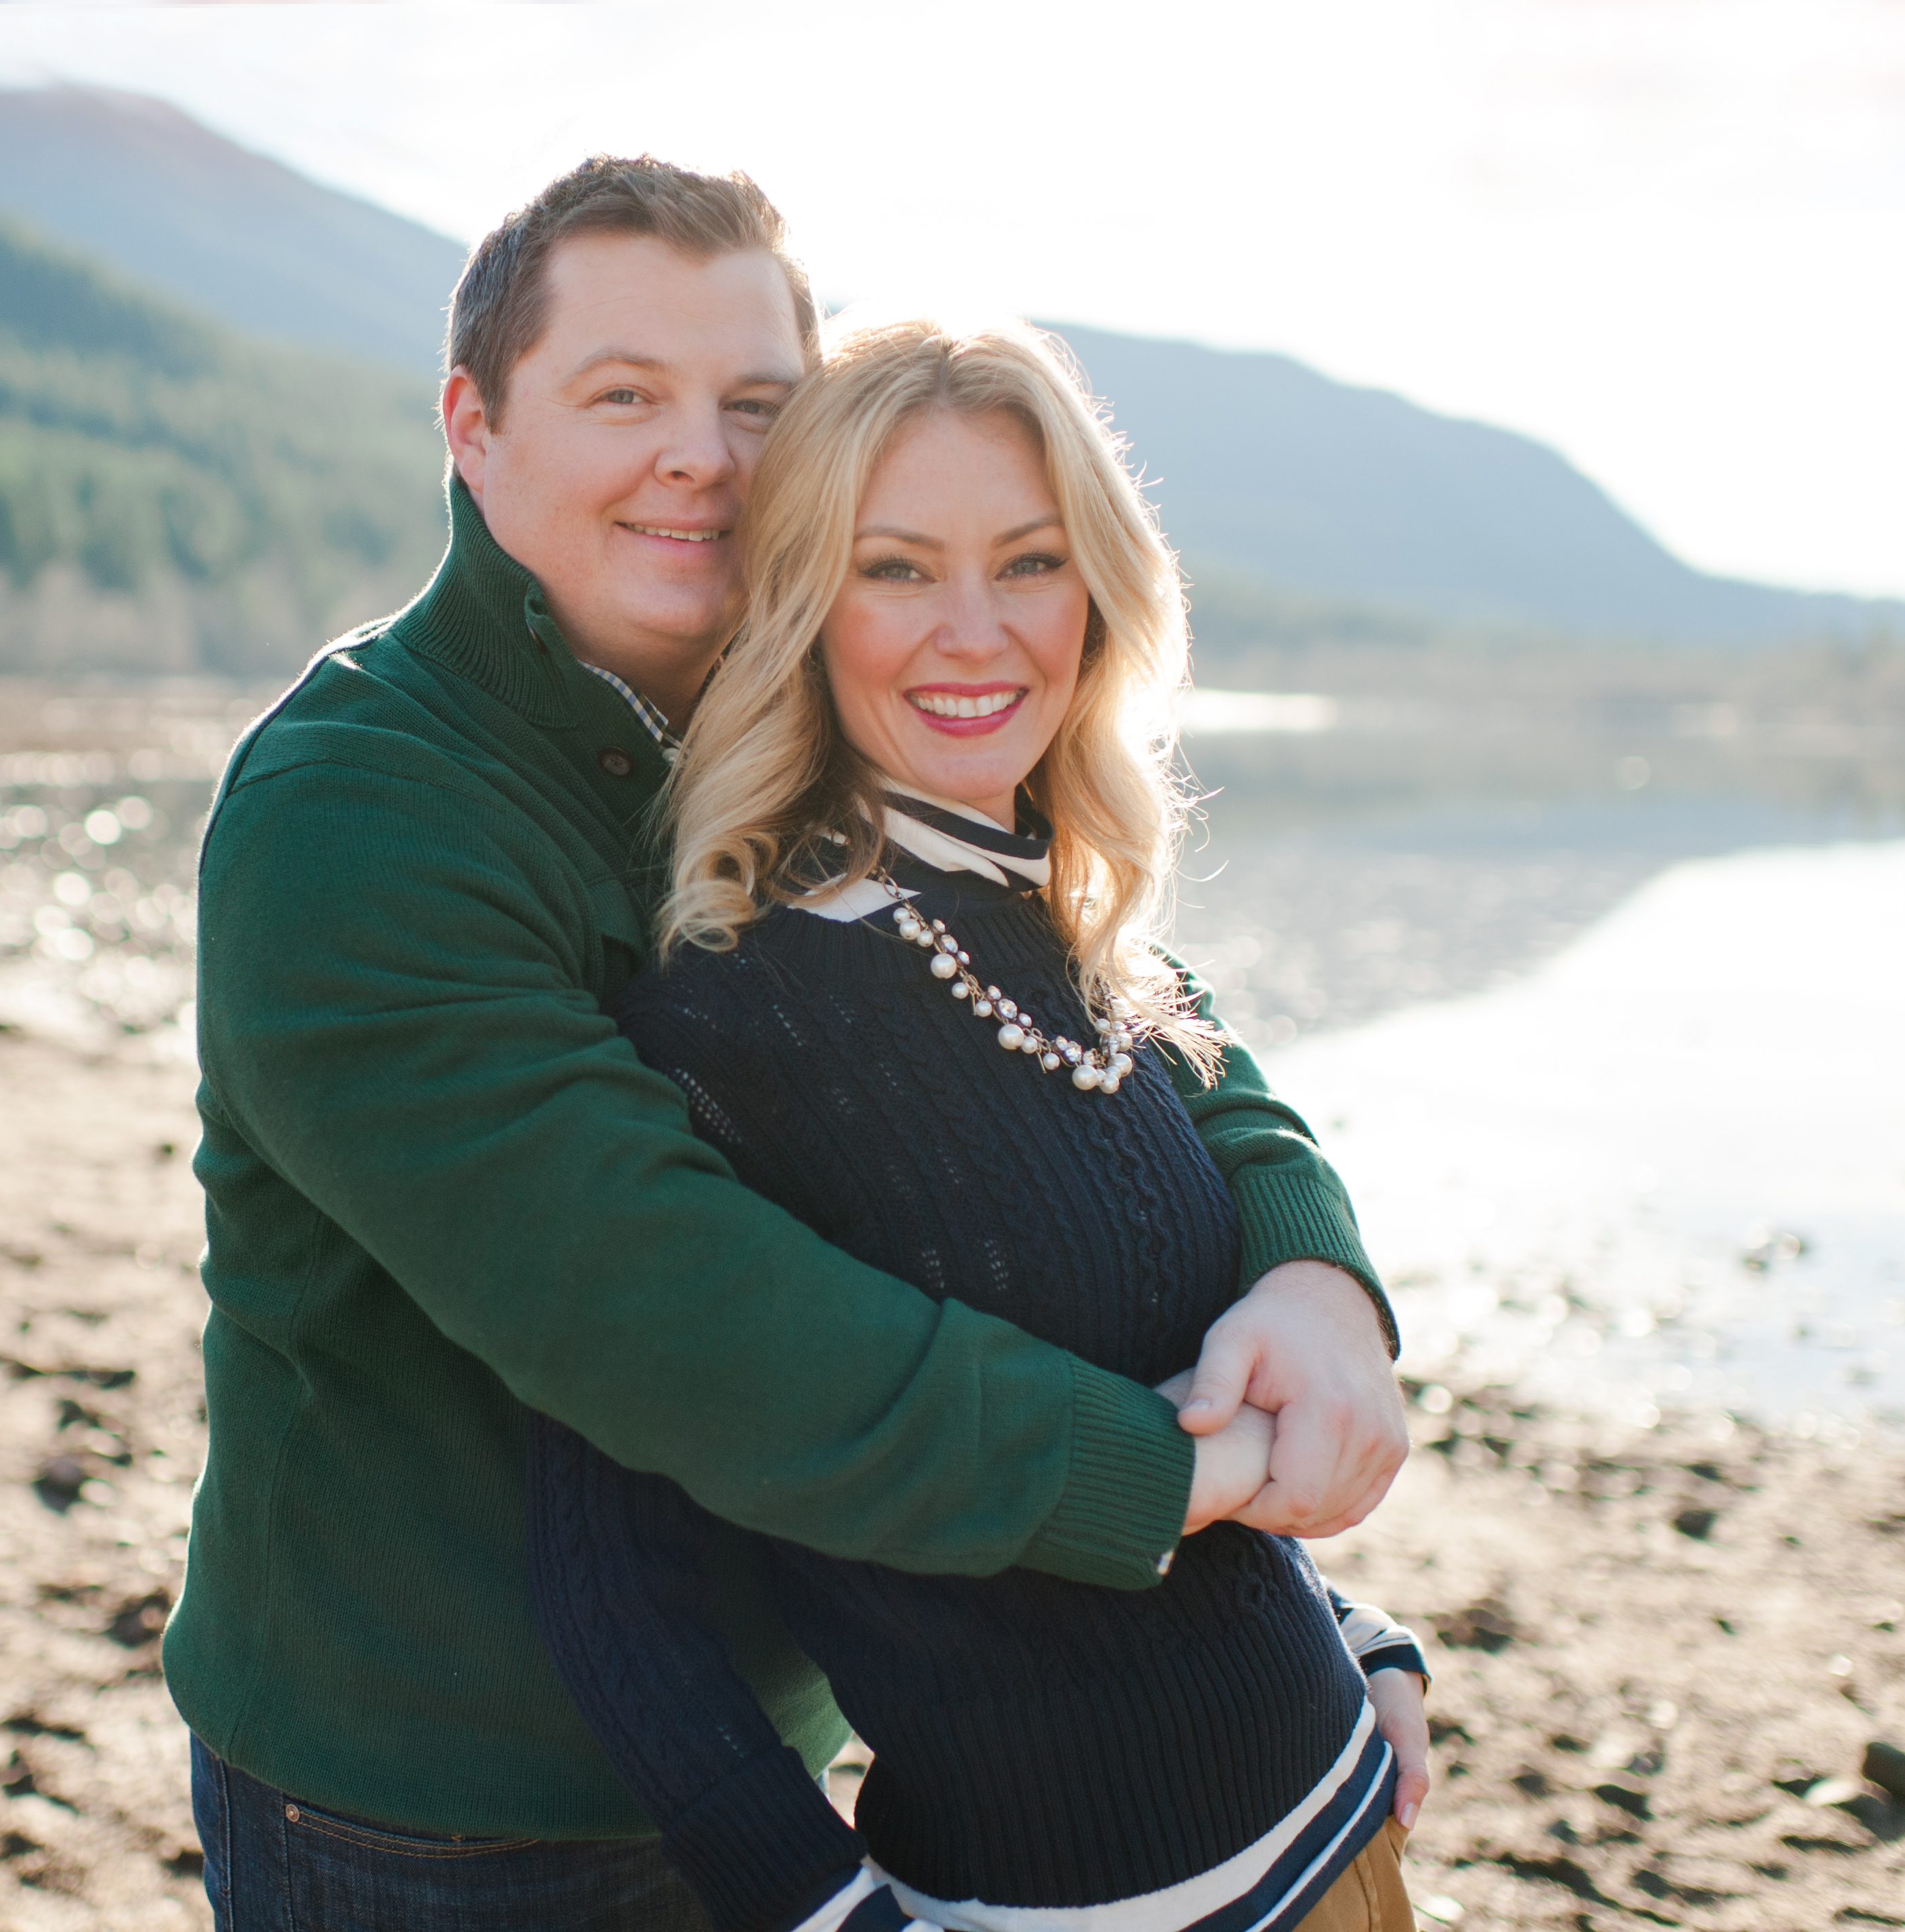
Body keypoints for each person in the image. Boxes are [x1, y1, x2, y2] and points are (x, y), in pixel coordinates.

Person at [175, 156, 1410, 1932]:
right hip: (433, 1805)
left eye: (754, 403)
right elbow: (680, 1317)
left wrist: (1317, 1279)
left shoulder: (795, 713)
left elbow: (1116, 999)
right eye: (624, 397)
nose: (702, 456)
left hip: (811, 1747)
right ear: (471, 422)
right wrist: (1181, 1478)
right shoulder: (358, 817)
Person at [527, 316, 1427, 1932]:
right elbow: (616, 1593)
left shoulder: (1082, 937)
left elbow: (1172, 1334)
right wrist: (828, 1912)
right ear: (800, 604)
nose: (975, 633)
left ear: (1098, 590)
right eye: (894, 569)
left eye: (1026, 562)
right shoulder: (732, 1016)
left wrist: (1354, 1641)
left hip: (1350, 1828)